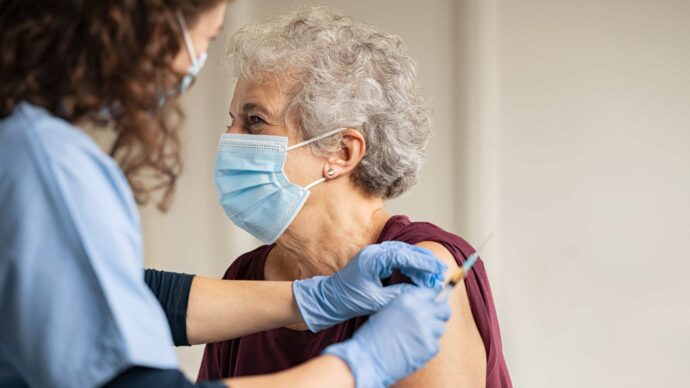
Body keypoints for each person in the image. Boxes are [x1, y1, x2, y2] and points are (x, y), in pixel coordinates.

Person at [0, 1, 452, 387]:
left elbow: (119, 295)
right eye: (207, 36)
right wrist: (355, 368)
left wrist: (314, 298)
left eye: (254, 122)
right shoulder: (43, 162)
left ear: (343, 150)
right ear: (155, 29)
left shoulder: (422, 264)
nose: (191, 64)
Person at [198, 6, 513, 388]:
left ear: (342, 152)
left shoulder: (416, 273)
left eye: (255, 121)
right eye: (231, 121)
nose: (231, 140)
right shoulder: (244, 279)